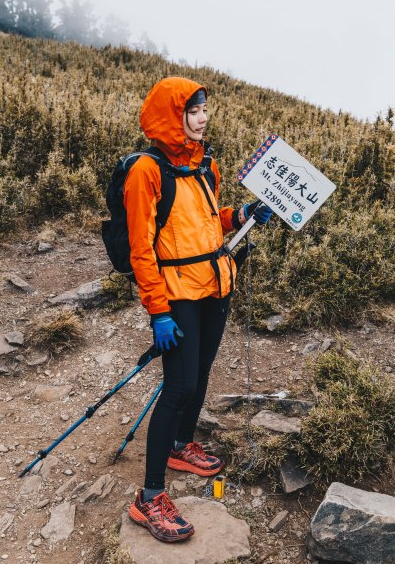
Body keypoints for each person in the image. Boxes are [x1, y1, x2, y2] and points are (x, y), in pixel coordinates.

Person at [124, 77, 272, 542]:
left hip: (214, 284)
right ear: (173, 115)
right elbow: (141, 250)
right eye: (193, 110)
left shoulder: (205, 166)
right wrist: (158, 310)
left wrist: (239, 214)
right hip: (178, 294)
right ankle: (149, 499)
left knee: (202, 371)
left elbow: (206, 222)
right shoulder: (146, 172)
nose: (203, 117)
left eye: (205, 108)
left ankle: (179, 446)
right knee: (179, 384)